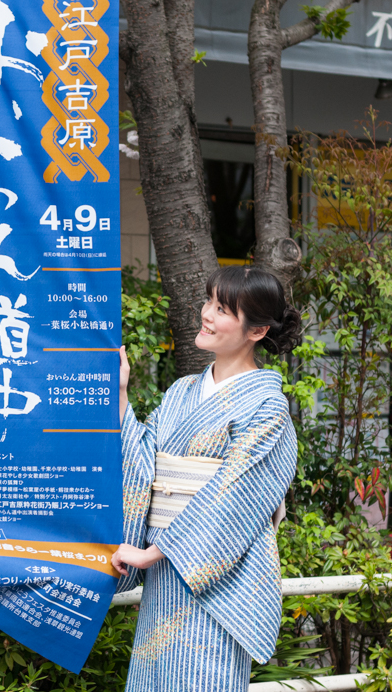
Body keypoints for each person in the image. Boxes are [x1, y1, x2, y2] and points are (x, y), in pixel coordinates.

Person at [112, 265, 301, 691]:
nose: (206, 314)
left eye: (222, 309)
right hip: (165, 577)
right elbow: (143, 462)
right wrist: (121, 396)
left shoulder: (267, 408)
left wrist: (154, 552)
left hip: (218, 582)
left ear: (256, 331)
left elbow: (232, 499)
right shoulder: (181, 391)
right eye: (208, 302)